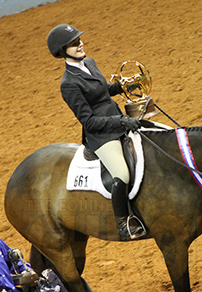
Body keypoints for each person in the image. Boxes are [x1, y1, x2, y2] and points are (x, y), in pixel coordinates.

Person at [46, 24, 145, 241]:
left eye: (79, 40)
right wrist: (119, 120)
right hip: (102, 135)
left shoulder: (89, 63)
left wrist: (121, 87)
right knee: (122, 173)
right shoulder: (68, 84)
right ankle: (123, 223)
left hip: (119, 120)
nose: (80, 44)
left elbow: (101, 92)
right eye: (74, 44)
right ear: (62, 51)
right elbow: (88, 121)